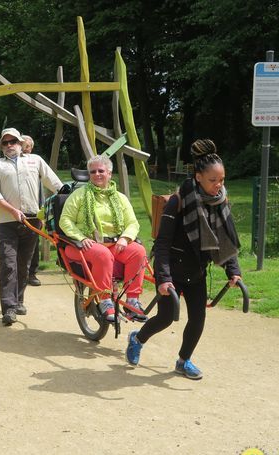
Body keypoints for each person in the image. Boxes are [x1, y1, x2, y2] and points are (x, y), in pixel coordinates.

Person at [126, 139, 242, 380]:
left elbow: (225, 238)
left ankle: (183, 361)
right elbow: (163, 243)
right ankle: (137, 338)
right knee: (166, 318)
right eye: (213, 180)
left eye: (222, 180)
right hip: (173, 272)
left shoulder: (219, 200)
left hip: (197, 271)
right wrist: (163, 279)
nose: (218, 185)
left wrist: (233, 270)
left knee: (198, 319)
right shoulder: (179, 201)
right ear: (198, 177)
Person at [0, 128, 63, 326]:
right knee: (8, 265)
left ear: (21, 143)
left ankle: (19, 300)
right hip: (7, 222)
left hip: (32, 220)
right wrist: (12, 211)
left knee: (24, 265)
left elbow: (54, 183)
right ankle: (9, 307)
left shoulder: (35, 160)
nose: (10, 145)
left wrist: (69, 196)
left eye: (13, 141)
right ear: (1, 146)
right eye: (6, 142)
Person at [59, 154, 147, 323]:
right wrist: (80, 237)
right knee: (102, 254)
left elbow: (133, 223)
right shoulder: (79, 195)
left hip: (114, 244)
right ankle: (105, 301)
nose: (97, 174)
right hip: (81, 245)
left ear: (109, 173)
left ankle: (132, 301)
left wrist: (125, 238)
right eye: (93, 172)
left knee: (139, 251)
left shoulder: (120, 198)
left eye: (101, 171)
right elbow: (65, 220)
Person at [21, 135, 42, 287]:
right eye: (21, 145)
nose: (24, 149)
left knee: (34, 243)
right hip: (16, 210)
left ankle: (32, 273)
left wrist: (42, 210)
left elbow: (41, 190)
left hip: (35, 210)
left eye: (26, 146)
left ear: (31, 148)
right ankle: (16, 272)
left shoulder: (36, 163)